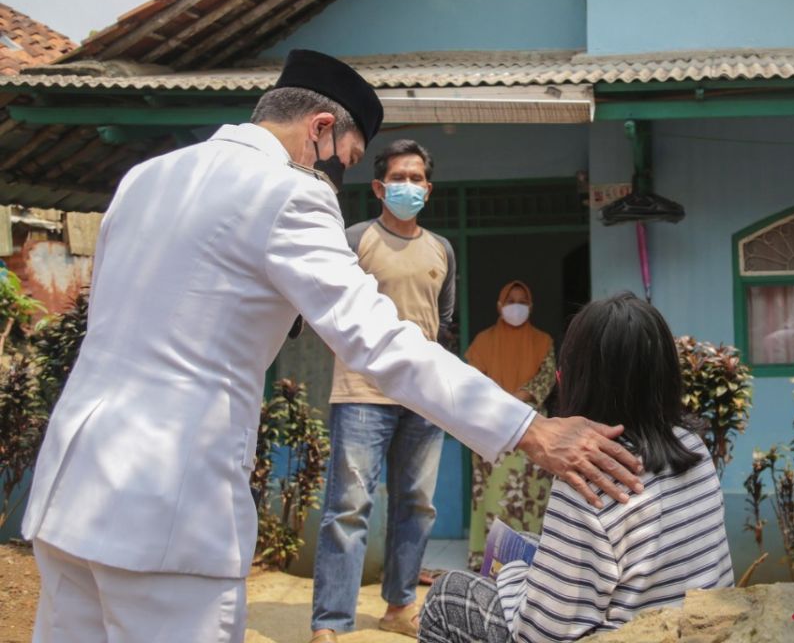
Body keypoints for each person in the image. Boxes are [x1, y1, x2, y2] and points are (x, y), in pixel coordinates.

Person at [22, 49, 643, 643]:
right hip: (169, 506)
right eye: (344, 159)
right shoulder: (287, 191)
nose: (336, 177)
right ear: (319, 127)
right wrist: (529, 429)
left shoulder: (144, 178)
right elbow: (381, 341)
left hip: (70, 491)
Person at [419, 292, 734, 643]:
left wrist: (513, 576)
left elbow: (542, 633)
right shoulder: (693, 446)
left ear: (571, 378)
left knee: (447, 594)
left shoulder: (588, 477)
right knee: (534, 542)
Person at [310, 139, 456, 641]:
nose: (409, 187)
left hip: (423, 396)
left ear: (429, 189)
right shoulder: (355, 240)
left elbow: (447, 322)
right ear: (378, 186)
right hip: (361, 393)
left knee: (416, 504)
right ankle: (331, 621)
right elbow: (328, 306)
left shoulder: (442, 250)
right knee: (349, 507)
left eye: (417, 179)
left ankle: (399, 606)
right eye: (400, 178)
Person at [464, 280, 556, 572]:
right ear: (499, 306)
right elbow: (471, 380)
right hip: (490, 425)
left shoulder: (544, 341)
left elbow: (546, 378)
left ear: (531, 307)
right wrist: (500, 403)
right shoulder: (483, 341)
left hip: (530, 427)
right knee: (492, 494)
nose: (517, 306)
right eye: (511, 300)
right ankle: (490, 559)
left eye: (522, 301)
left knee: (529, 495)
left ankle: (531, 558)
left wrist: (515, 400)